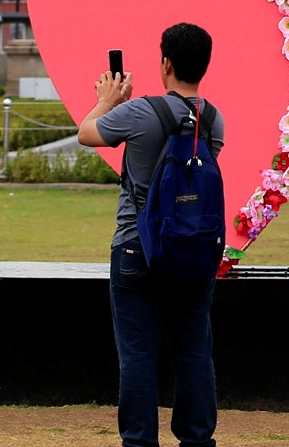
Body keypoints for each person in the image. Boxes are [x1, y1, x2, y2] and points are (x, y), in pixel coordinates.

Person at [78, 23, 226, 447]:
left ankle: (139, 442)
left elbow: (87, 133)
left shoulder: (140, 112)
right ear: (204, 66)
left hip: (135, 247)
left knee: (138, 355)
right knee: (194, 350)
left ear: (166, 63)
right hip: (193, 250)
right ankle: (197, 440)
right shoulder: (214, 121)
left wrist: (106, 101)